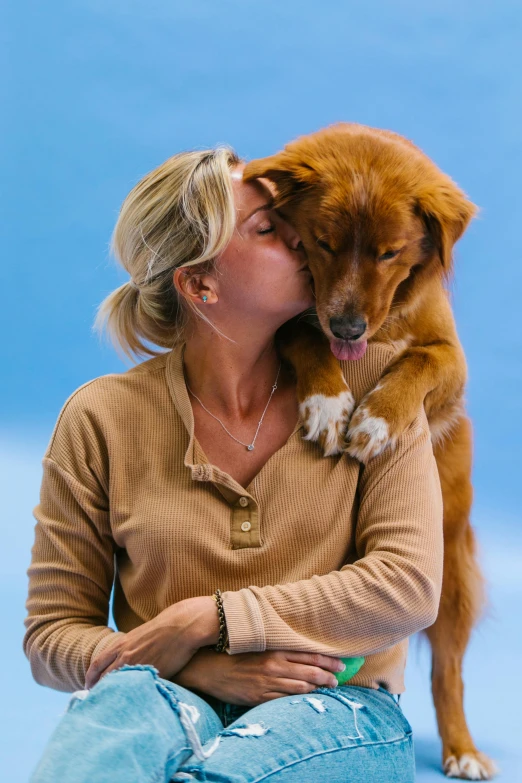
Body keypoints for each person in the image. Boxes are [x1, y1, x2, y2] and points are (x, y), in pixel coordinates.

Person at [23, 145, 444, 783]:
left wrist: (210, 619)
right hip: (159, 695)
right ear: (200, 284)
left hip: (337, 707)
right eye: (270, 230)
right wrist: (191, 669)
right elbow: (54, 635)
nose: (305, 237)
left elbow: (407, 587)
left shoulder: (376, 389)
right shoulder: (99, 418)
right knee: (111, 730)